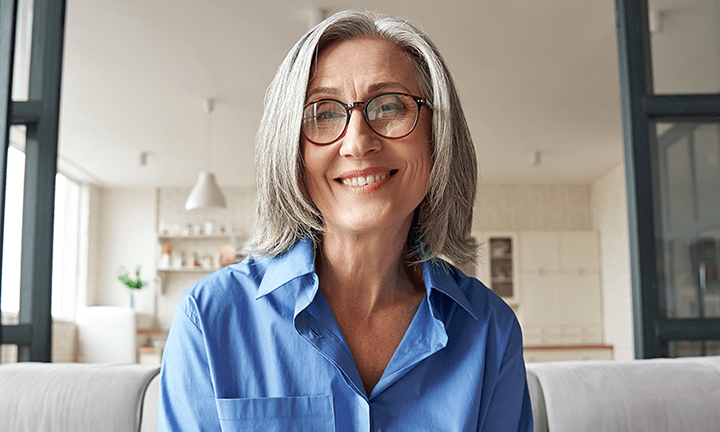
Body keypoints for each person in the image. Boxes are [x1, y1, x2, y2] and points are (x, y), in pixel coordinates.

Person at [159, 10, 532, 431]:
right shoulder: (210, 317)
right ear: (292, 149)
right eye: (324, 112)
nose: (357, 142)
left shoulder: (491, 331)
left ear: (437, 135)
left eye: (390, 105)